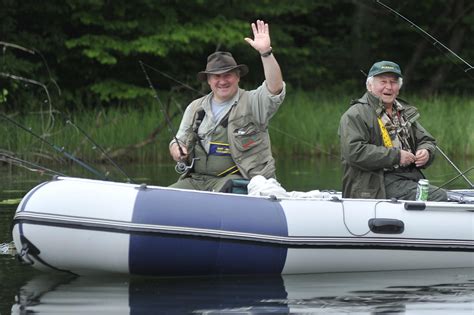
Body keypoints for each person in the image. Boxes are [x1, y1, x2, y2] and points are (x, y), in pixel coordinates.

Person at [169, 20, 285, 192]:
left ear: (238, 77)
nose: (222, 81)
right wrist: (177, 151)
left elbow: (275, 88)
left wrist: (265, 53)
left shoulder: (253, 102)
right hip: (197, 179)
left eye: (228, 75)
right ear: (208, 80)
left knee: (227, 190)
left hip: (239, 180)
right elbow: (177, 140)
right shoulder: (195, 108)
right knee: (168, 195)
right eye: (216, 76)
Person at [338, 60, 448, 201]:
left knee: (446, 195)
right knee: (439, 196)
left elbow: (427, 140)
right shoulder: (355, 114)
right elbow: (354, 152)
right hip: (374, 186)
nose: (389, 87)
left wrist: (426, 152)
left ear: (399, 87)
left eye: (393, 82)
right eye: (383, 82)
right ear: (370, 86)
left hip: (407, 179)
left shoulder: (404, 112)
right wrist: (396, 156)